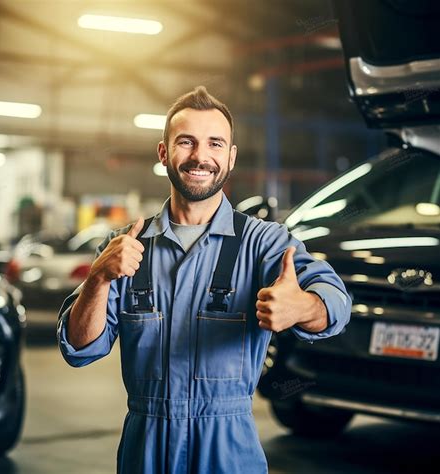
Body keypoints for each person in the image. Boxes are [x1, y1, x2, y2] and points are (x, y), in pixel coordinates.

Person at [57, 86, 351, 474]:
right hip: (145, 447)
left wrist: (302, 306)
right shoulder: (125, 246)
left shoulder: (262, 242)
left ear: (229, 158)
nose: (200, 156)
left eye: (215, 144)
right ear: (164, 153)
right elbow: (80, 347)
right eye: (186, 142)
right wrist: (98, 279)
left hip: (227, 448)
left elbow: (334, 301)